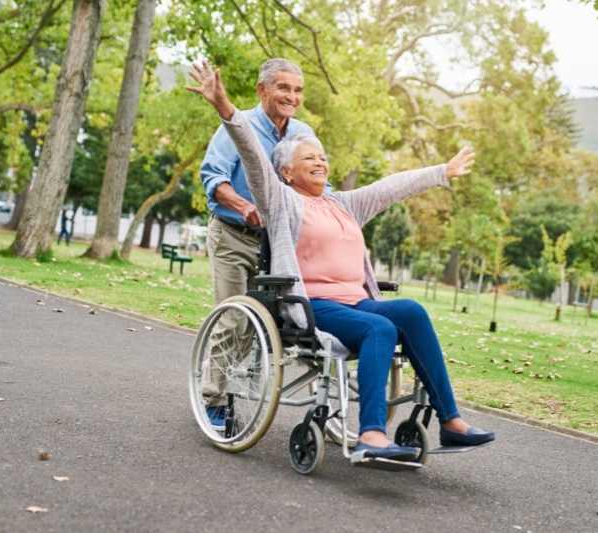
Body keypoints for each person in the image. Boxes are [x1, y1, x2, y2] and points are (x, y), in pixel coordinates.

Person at [189, 61, 494, 461]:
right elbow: (249, 152)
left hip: (354, 300)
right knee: (379, 329)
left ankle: (451, 421)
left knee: (412, 313)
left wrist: (442, 171)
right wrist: (225, 106)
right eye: (308, 159)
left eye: (322, 157)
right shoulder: (282, 202)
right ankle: (371, 435)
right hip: (313, 304)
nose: (319, 162)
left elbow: (390, 188)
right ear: (285, 171)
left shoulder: (343, 203)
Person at [199, 58, 315, 423]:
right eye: (283, 88)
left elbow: (313, 177)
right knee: (234, 318)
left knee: (261, 323)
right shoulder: (241, 125)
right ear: (262, 89)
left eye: (297, 90)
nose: (291, 96)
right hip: (234, 235)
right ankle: (214, 399)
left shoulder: (302, 133)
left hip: (276, 243)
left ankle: (238, 387)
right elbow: (212, 178)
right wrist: (244, 205)